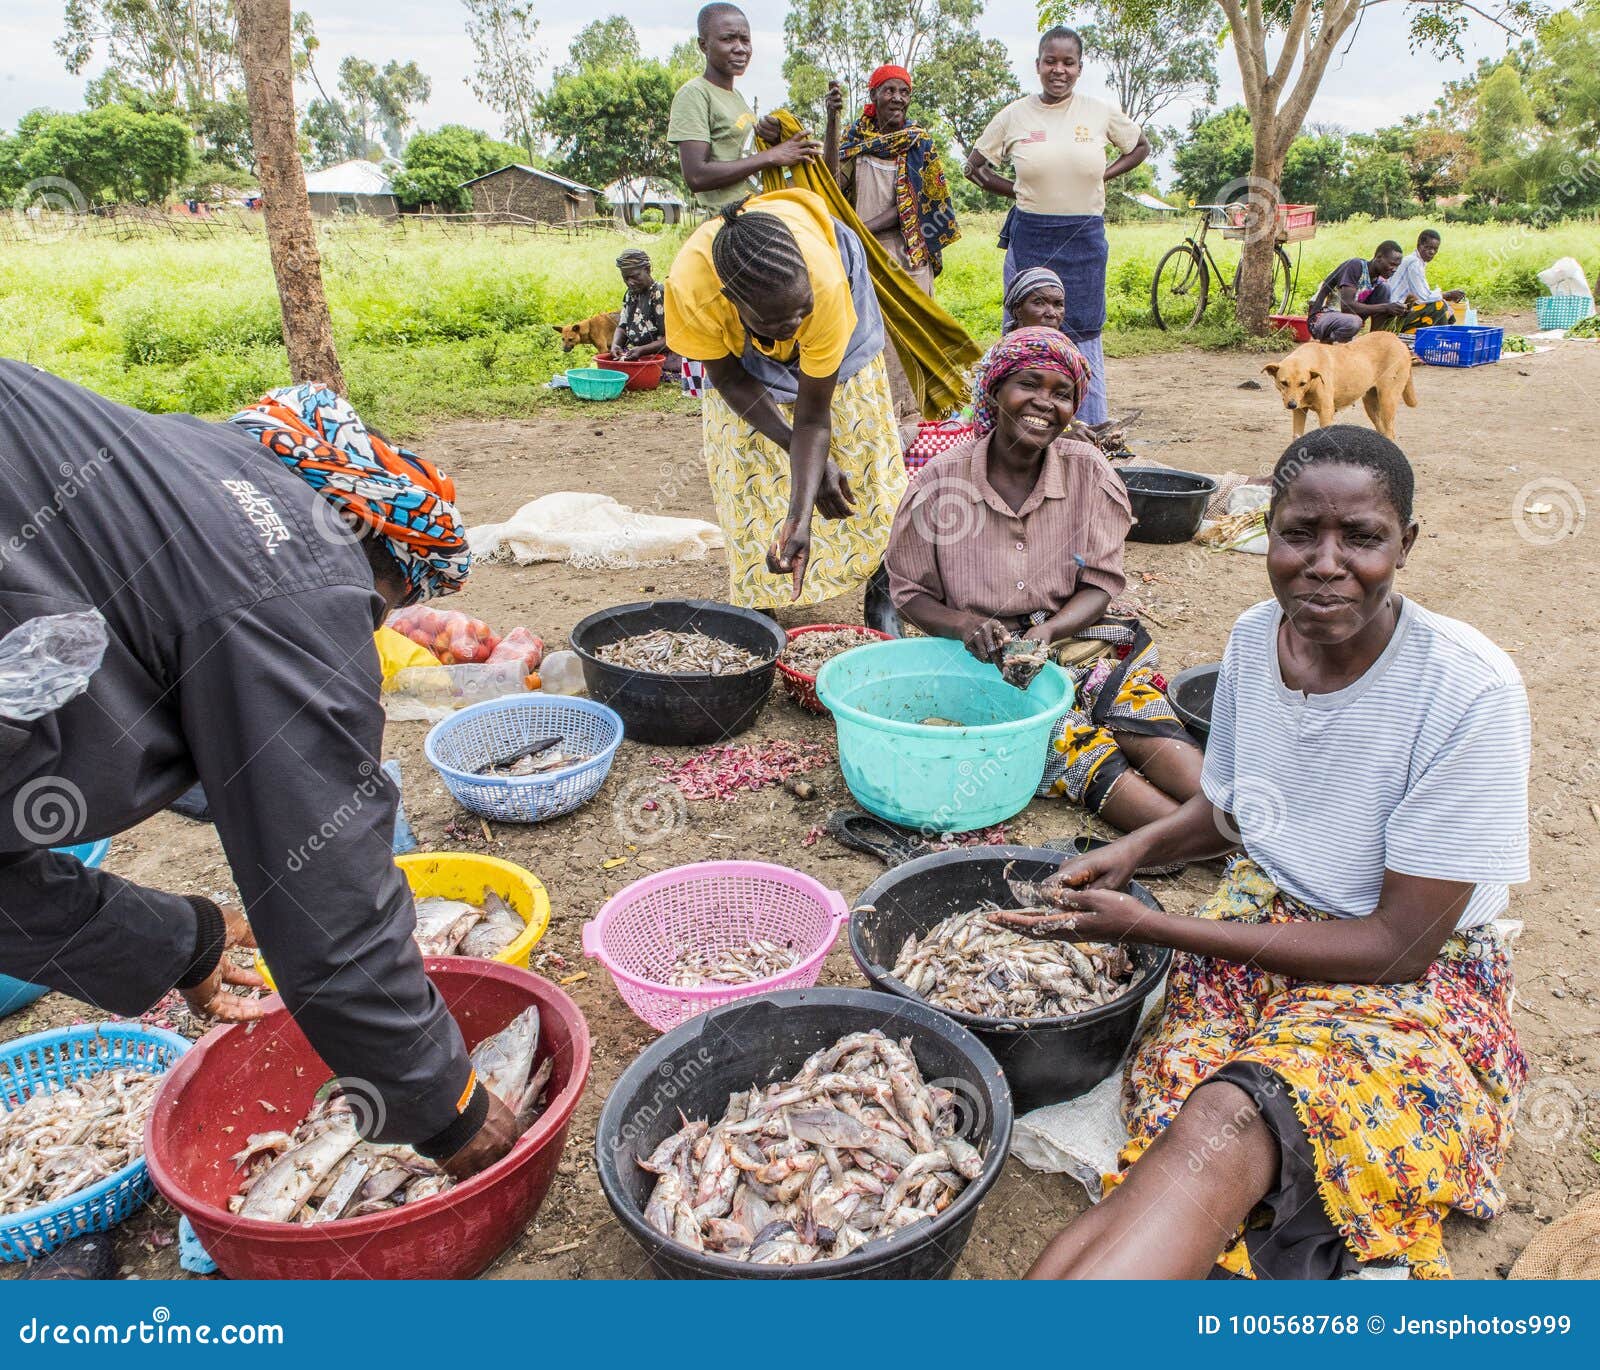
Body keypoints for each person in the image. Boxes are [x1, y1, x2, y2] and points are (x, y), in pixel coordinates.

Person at [999, 425, 1531, 1280]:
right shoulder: (1255, 638)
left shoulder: (1468, 690)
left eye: (1361, 537)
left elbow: (1397, 948)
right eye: (1298, 533)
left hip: (1405, 980)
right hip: (1266, 927)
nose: (1325, 562)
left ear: (1406, 545)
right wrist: (1135, 848)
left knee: (1229, 1118)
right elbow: (1235, 815)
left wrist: (1157, 930)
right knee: (1189, 1118)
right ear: (1266, 533)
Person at [0, 364, 516, 1182]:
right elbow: (326, 896)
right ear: (366, 541)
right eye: (383, 601)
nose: (369, 623)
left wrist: (180, 943)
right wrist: (449, 1111)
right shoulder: (300, 576)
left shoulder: (184, 463)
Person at [886, 329, 1202, 833]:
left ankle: (1237, 823)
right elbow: (909, 594)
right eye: (1029, 385)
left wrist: (1049, 633)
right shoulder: (940, 482)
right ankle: (1200, 842)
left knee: (1135, 710)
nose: (1044, 403)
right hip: (983, 661)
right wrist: (965, 624)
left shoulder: (1087, 471)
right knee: (1071, 743)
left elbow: (1100, 584)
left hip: (1075, 638)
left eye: (1062, 394)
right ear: (994, 392)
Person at [664, 189, 906, 623]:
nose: (794, 328)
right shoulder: (692, 293)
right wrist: (800, 455)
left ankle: (883, 589)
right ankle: (759, 607)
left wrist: (800, 514)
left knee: (860, 445)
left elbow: (815, 416)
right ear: (732, 302)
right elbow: (730, 380)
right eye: (779, 324)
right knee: (745, 462)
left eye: (801, 313)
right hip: (739, 355)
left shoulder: (825, 285)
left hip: (830, 283)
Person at [963, 26, 1150, 426]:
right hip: (1031, 237)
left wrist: (1104, 177)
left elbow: (1140, 146)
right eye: (1051, 61)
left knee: (1083, 330)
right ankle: (1014, 427)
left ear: (1080, 68)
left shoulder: (1098, 112)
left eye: (1068, 62)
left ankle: (1092, 432)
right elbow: (974, 167)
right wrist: (1018, 192)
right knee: (1026, 333)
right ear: (1038, 65)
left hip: (1084, 239)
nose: (1059, 70)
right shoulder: (1015, 114)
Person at [822, 64, 960, 296]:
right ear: (873, 95)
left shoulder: (919, 143)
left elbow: (918, 203)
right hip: (862, 252)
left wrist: (862, 231)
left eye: (904, 92)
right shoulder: (856, 139)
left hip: (906, 255)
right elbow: (831, 184)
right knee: (865, 325)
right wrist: (832, 121)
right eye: (889, 91)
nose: (897, 98)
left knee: (909, 328)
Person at [667, 4, 820, 210]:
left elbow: (743, 154)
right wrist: (771, 156)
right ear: (704, 45)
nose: (740, 48)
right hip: (730, 224)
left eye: (745, 40)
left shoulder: (737, 97)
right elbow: (696, 176)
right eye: (727, 39)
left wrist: (772, 139)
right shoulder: (694, 94)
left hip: (758, 212)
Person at [1306, 240, 1407, 342]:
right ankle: (1332, 346)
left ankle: (1372, 342)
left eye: (1397, 266)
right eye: (1392, 264)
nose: (1394, 269)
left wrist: (1395, 311)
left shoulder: (1379, 283)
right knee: (1354, 322)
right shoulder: (1355, 266)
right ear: (1379, 257)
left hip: (1345, 320)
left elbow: (1378, 310)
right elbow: (1347, 306)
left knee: (1384, 289)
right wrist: (1386, 307)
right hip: (1320, 320)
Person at [613, 248, 679, 376]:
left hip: (665, 355)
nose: (630, 282)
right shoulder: (630, 295)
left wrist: (642, 350)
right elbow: (622, 326)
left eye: (635, 276)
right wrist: (616, 345)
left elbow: (672, 339)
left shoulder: (661, 293)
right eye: (626, 278)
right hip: (639, 353)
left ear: (648, 270)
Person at [1386, 229, 1464, 332]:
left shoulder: (1416, 262)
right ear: (1419, 246)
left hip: (1399, 310)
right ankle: (1441, 338)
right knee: (1439, 306)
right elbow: (1424, 297)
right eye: (1428, 247)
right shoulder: (1414, 263)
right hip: (1394, 315)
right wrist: (1448, 295)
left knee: (1441, 304)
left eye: (1435, 249)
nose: (1432, 252)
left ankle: (1443, 336)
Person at [1004, 267, 1067, 332]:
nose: (1051, 313)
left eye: (1059, 304)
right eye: (1039, 303)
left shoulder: (1065, 342)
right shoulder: (1009, 342)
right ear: (1018, 310)